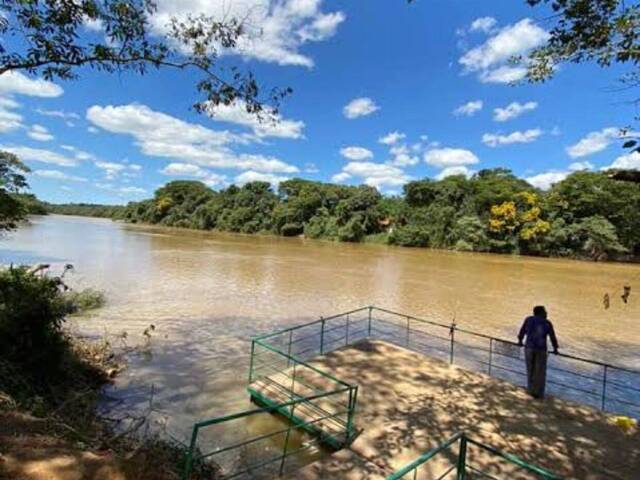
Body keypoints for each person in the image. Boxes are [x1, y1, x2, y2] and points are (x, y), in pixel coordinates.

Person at [517, 306, 559, 399]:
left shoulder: (528, 320)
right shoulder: (547, 323)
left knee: (530, 370)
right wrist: (555, 348)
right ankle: (539, 393)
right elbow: (552, 337)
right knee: (540, 372)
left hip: (529, 348)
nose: (546, 313)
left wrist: (520, 340)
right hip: (541, 349)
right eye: (545, 312)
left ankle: (530, 390)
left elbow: (522, 331)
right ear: (540, 313)